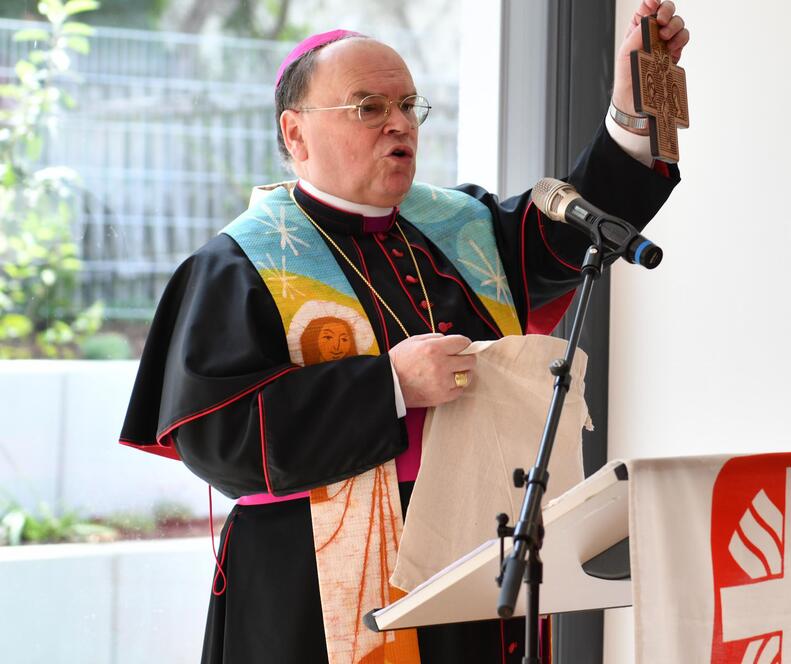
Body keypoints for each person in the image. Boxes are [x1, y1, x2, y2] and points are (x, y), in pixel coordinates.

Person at [118, 2, 689, 662]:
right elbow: (217, 439)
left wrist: (630, 109)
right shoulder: (239, 264)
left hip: (475, 555)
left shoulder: (461, 229)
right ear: (295, 133)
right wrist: (388, 386)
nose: (398, 124)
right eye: (367, 107)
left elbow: (572, 233)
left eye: (408, 105)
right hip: (311, 587)